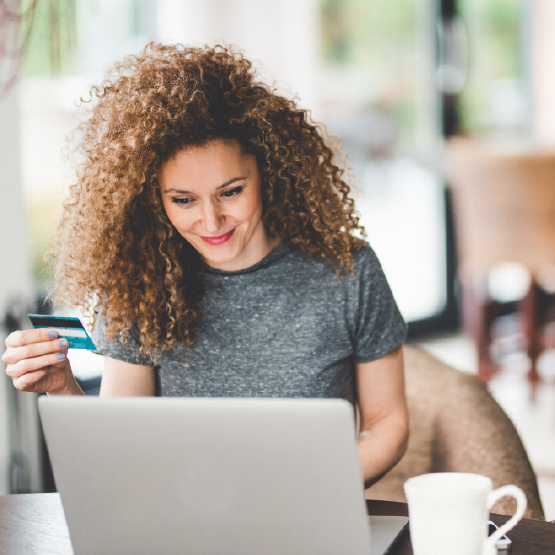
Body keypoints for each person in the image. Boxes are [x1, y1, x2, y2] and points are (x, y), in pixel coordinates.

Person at [2, 43, 408, 487]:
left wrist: (317, 492)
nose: (211, 221)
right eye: (183, 200)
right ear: (153, 199)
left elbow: (388, 422)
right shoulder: (140, 283)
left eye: (231, 192)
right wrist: (62, 387)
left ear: (267, 173)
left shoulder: (348, 271)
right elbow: (122, 451)